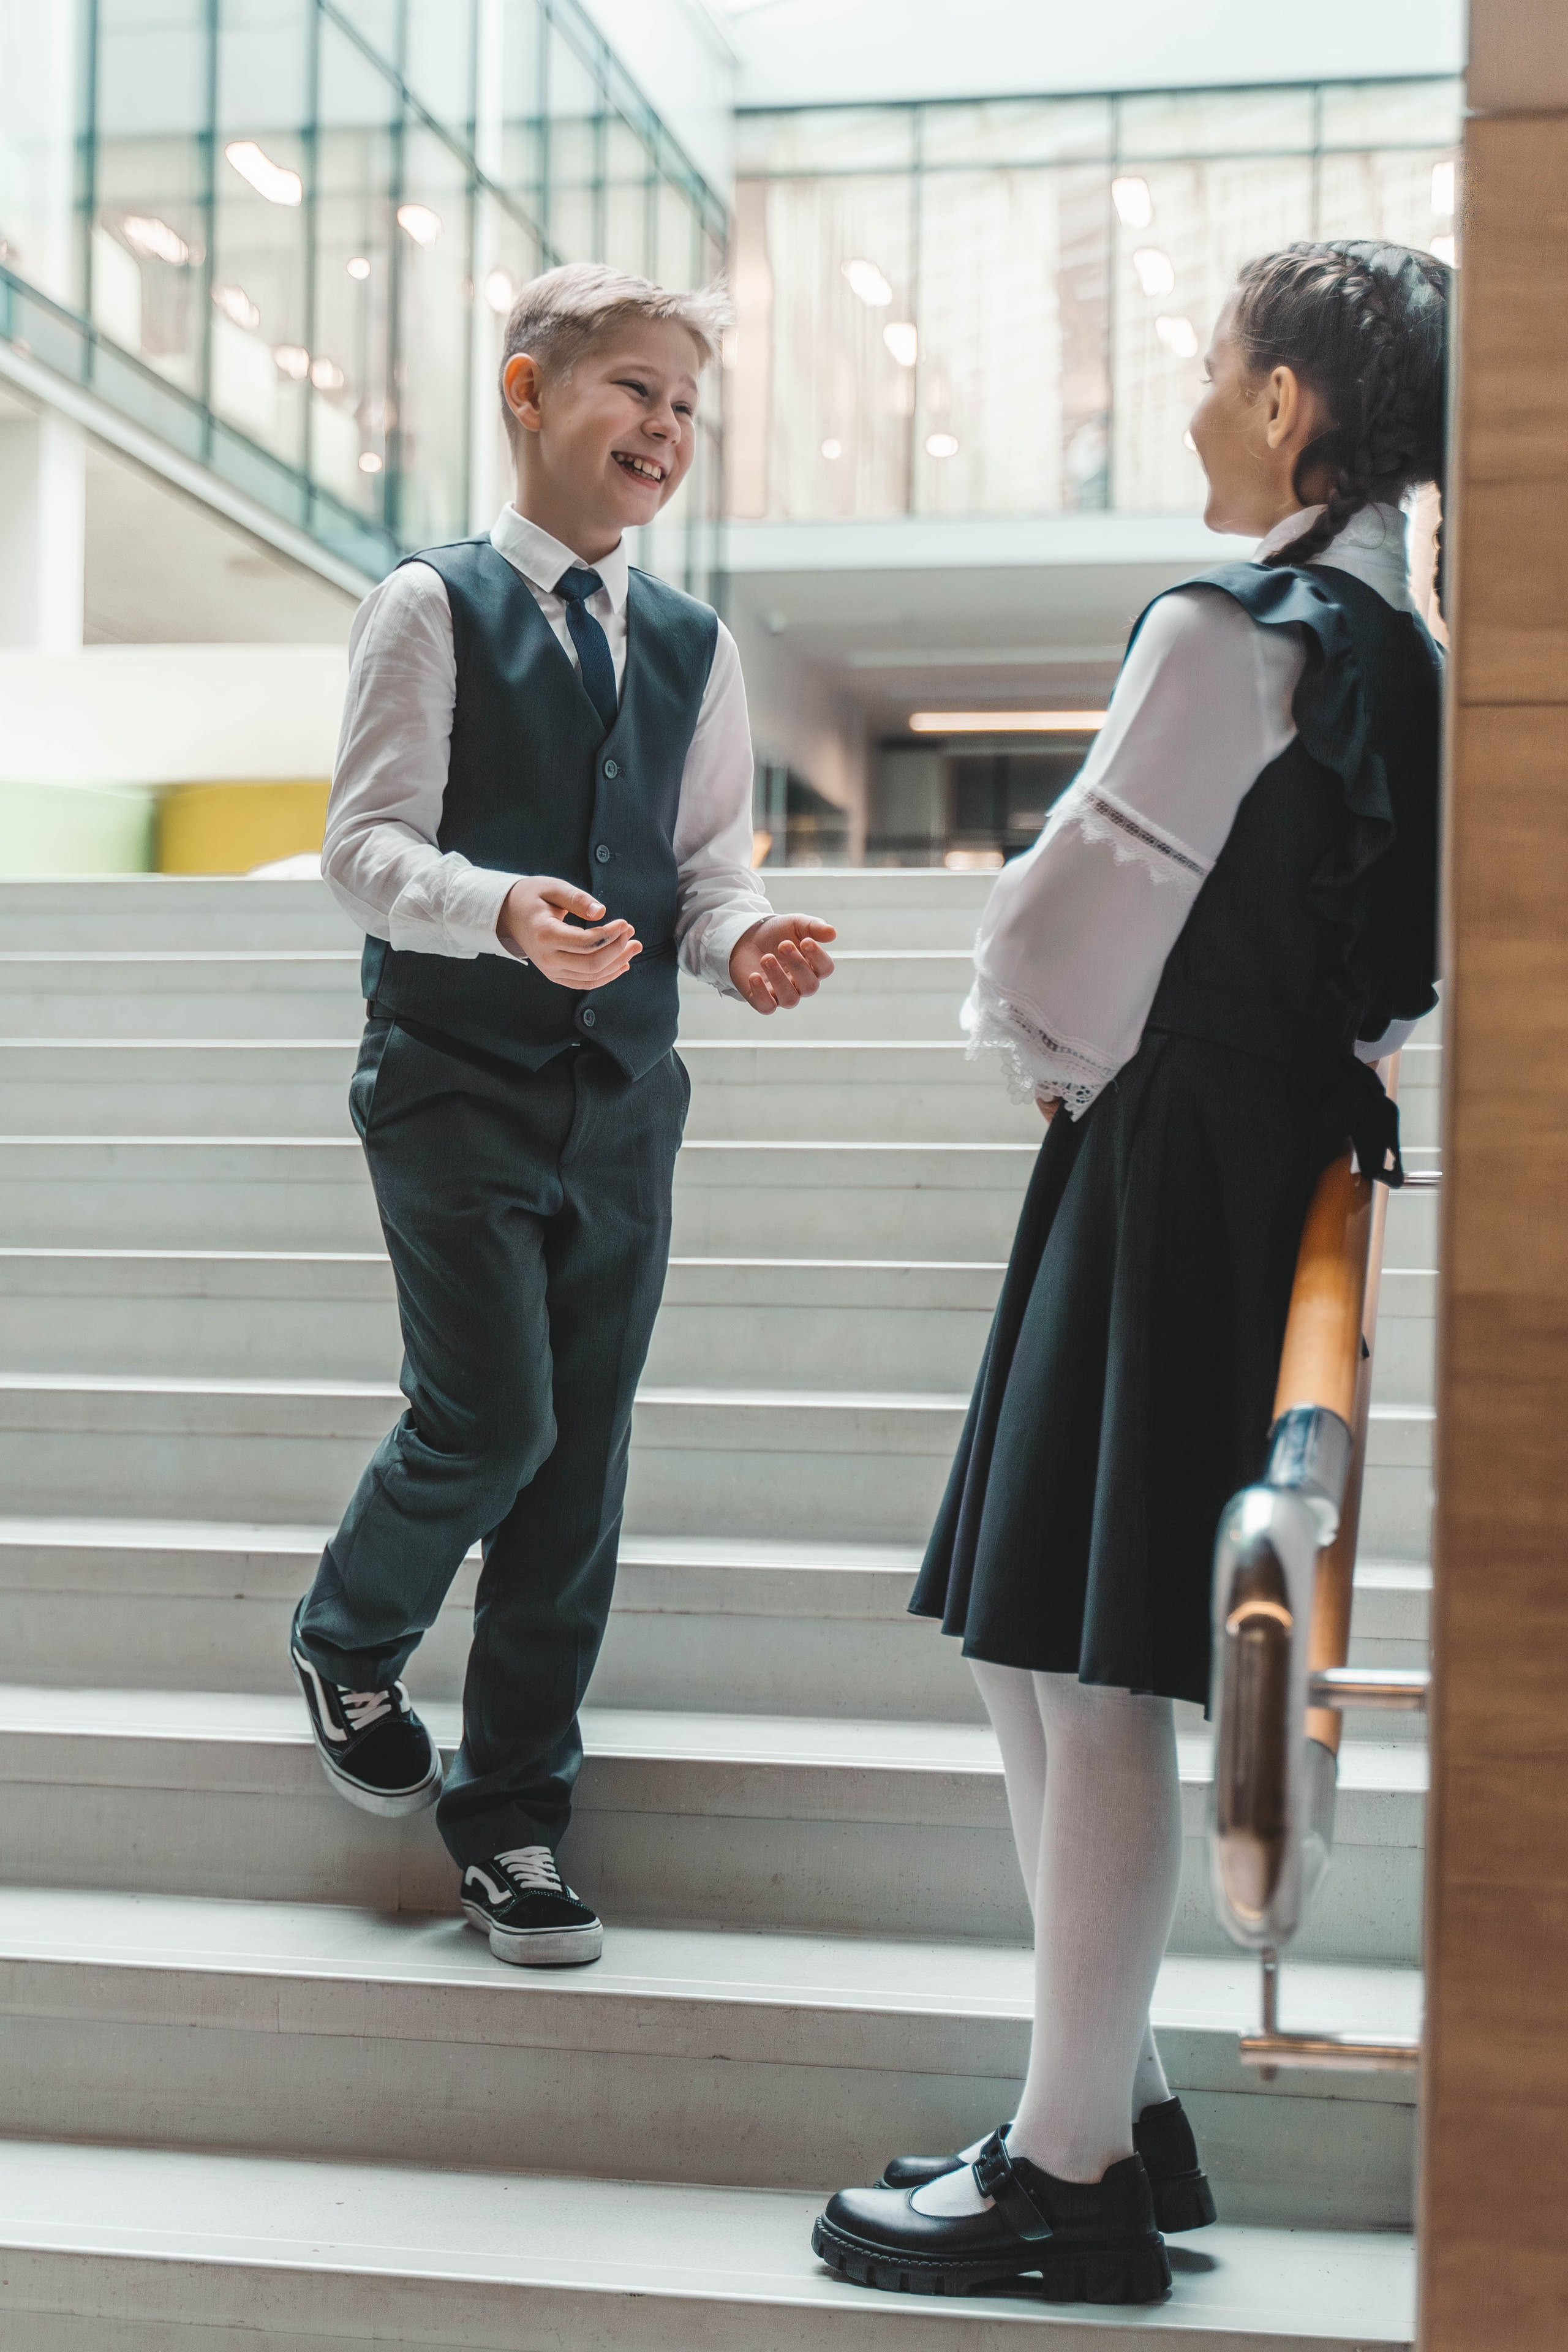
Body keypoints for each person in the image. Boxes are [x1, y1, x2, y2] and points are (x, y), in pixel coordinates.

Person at [813, 239, 1447, 2302]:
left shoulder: (1231, 621)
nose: (1191, 401)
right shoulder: (1404, 642)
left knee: (1084, 1667)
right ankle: (1116, 2095)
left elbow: (1065, 923)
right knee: (1047, 1636)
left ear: (1290, 412)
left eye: (1213, 365)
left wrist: (1060, 1060)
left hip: (1168, 1145)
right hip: (1261, 1155)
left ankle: (1072, 2171)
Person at [289, 263, 837, 1969]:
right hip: (451, 1082)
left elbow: (705, 874)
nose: (666, 428)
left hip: (620, 1110)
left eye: (687, 405)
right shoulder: (429, 606)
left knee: (579, 1469)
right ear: (527, 393)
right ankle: (350, 1630)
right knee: (492, 1421)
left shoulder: (690, 643)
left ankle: (515, 1820)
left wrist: (744, 944)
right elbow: (365, 852)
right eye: (632, 390)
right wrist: (505, 908)